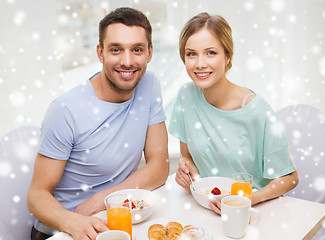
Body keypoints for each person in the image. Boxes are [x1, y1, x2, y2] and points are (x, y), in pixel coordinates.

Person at [27, 7, 169, 240]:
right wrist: (73, 221)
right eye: (116, 50)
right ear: (100, 53)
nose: (127, 61)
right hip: (62, 230)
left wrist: (103, 199)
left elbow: (160, 167)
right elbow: (36, 196)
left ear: (150, 53)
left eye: (137, 50)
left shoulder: (149, 84)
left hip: (114, 219)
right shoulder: (65, 110)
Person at [169, 12, 299, 214]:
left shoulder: (257, 111)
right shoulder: (185, 96)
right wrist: (189, 176)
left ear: (227, 55)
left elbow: (290, 178)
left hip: (252, 212)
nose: (200, 63)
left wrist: (249, 199)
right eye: (191, 53)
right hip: (205, 208)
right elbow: (187, 158)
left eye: (211, 52)